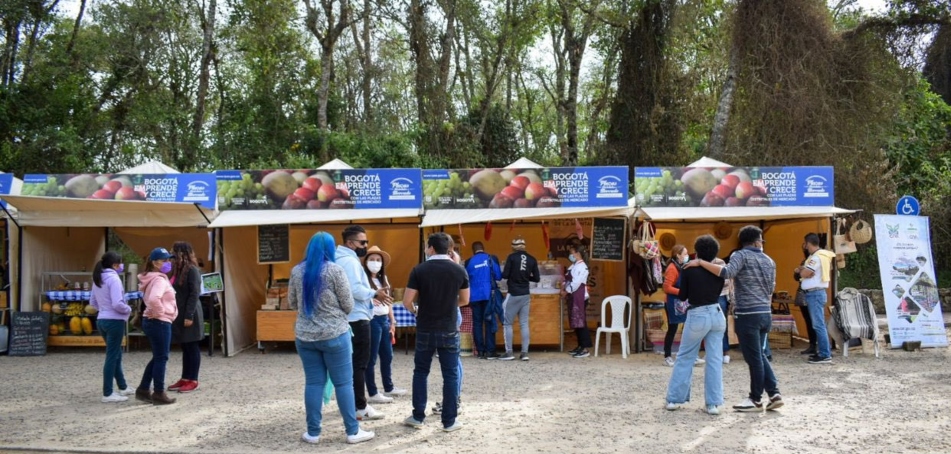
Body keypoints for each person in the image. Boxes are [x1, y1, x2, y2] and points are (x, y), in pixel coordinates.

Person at [289, 232, 375, 445]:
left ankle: (313, 433)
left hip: (305, 336)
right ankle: (352, 431)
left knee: (313, 383)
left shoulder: (297, 271)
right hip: (335, 334)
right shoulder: (335, 270)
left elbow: (292, 303)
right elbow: (348, 304)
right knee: (344, 383)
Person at [687, 226, 782, 412]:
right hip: (765, 313)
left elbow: (726, 273)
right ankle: (774, 393)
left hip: (747, 314)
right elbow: (771, 288)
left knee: (753, 358)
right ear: (757, 241)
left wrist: (700, 263)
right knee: (760, 355)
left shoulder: (741, 255)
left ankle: (755, 399)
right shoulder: (769, 260)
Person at [402, 232, 469, 432]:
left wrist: (417, 311)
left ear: (431, 248)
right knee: (450, 374)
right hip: (448, 327)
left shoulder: (419, 269)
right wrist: (448, 305)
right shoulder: (459, 270)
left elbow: (407, 301)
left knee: (421, 372)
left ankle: (418, 416)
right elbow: (465, 300)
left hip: (425, 327)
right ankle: (449, 421)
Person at [665, 235, 727, 415]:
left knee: (685, 356)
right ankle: (713, 404)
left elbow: (683, 296)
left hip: (697, 314)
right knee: (714, 359)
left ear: (697, 252)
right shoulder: (719, 269)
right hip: (716, 313)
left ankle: (674, 399)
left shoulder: (689, 270)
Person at [335, 225, 391, 421]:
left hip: (347, 317)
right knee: (360, 364)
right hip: (357, 318)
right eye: (362, 242)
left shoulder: (338, 258)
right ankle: (360, 406)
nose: (365, 246)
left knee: (349, 364)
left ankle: (351, 404)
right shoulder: (350, 262)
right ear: (350, 243)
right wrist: (375, 293)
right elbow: (355, 290)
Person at [363, 245, 408, 404]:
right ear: (366, 261)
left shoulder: (384, 279)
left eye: (378, 260)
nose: (375, 263)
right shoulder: (362, 278)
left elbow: (389, 302)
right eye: (372, 259)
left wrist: (392, 321)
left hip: (384, 320)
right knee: (371, 358)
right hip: (371, 320)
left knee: (387, 355)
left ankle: (388, 387)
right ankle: (373, 392)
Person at [135, 247, 178, 405]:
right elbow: (154, 299)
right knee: (161, 358)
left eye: (169, 260)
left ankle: (143, 389)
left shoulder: (153, 278)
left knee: (158, 357)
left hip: (154, 321)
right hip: (159, 321)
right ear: (155, 262)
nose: (168, 263)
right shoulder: (159, 279)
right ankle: (159, 392)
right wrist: (161, 312)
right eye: (165, 260)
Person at [90, 251, 134, 403]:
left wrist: (104, 308)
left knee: (116, 355)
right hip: (115, 321)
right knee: (112, 356)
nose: (122, 266)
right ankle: (107, 393)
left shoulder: (97, 277)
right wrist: (128, 309)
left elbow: (93, 303)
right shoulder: (114, 279)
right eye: (121, 264)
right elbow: (117, 303)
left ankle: (123, 386)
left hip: (101, 319)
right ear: (115, 265)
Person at [167, 241, 204, 394]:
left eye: (173, 252)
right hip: (180, 313)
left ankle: (193, 379)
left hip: (190, 313)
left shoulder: (192, 270)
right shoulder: (177, 270)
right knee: (185, 346)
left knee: (192, 346)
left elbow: (194, 294)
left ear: (181, 253)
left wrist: (189, 315)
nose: (171, 256)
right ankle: (185, 377)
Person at [796, 232, 836, 364]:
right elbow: (807, 271)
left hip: (815, 294)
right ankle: (824, 351)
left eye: (805, 244)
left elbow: (806, 272)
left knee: (818, 324)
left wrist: (801, 271)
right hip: (817, 293)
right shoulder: (822, 256)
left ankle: (825, 354)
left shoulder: (816, 258)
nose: (805, 247)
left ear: (808, 243)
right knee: (820, 324)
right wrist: (804, 270)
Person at [499, 236, 539, 361]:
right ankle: (525, 353)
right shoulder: (532, 259)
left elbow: (505, 275)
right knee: (524, 324)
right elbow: (537, 278)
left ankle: (509, 352)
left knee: (507, 324)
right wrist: (527, 277)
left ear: (513, 247)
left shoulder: (511, 257)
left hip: (513, 294)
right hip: (525, 294)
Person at [464, 241, 502, 359]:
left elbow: (465, 279)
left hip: (474, 296)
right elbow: (498, 276)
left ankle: (480, 351)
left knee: (477, 323)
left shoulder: (468, 262)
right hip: (489, 295)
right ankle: (490, 351)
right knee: (489, 321)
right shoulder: (491, 258)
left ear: (473, 250)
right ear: (483, 248)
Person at [663, 245, 698, 367]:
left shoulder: (681, 267)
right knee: (672, 329)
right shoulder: (672, 268)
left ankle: (688, 355)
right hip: (672, 302)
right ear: (678, 255)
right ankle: (667, 356)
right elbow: (666, 287)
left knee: (687, 328)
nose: (687, 256)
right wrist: (682, 292)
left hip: (682, 301)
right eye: (685, 254)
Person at [562, 244, 592, 358]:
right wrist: (564, 287)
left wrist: (567, 290)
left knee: (581, 322)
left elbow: (576, 282)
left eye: (572, 253)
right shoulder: (574, 265)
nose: (571, 255)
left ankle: (585, 348)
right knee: (576, 322)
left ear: (577, 254)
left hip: (579, 296)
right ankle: (579, 346)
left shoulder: (582, 267)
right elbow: (567, 278)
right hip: (573, 295)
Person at [795, 247, 818, 356]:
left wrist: (801, 271)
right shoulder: (805, 261)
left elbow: (810, 275)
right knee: (808, 321)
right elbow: (796, 277)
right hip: (803, 294)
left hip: (812, 294)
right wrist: (797, 271)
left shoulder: (816, 260)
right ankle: (812, 344)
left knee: (815, 321)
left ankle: (817, 345)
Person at [715, 256, 734, 364]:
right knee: (711, 326)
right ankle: (717, 352)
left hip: (720, 295)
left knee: (722, 325)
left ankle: (725, 351)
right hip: (713, 296)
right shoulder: (699, 262)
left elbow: (726, 281)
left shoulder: (720, 262)